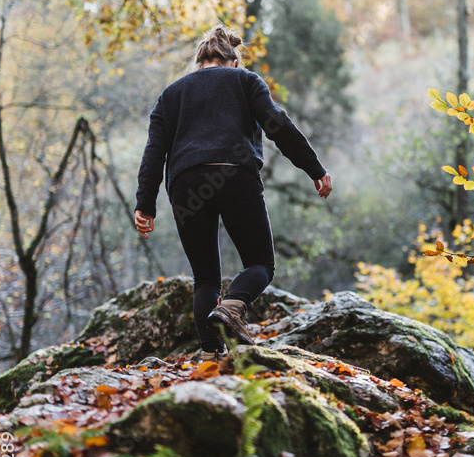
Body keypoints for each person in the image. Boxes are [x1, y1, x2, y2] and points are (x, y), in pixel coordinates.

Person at [134, 25, 332, 359]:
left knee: (206, 279)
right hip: (235, 175)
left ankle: (211, 356)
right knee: (260, 264)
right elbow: (277, 124)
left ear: (200, 61)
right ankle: (231, 308)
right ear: (233, 61)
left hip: (185, 185)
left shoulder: (170, 95)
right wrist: (315, 169)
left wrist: (145, 204)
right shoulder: (244, 81)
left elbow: (154, 153)